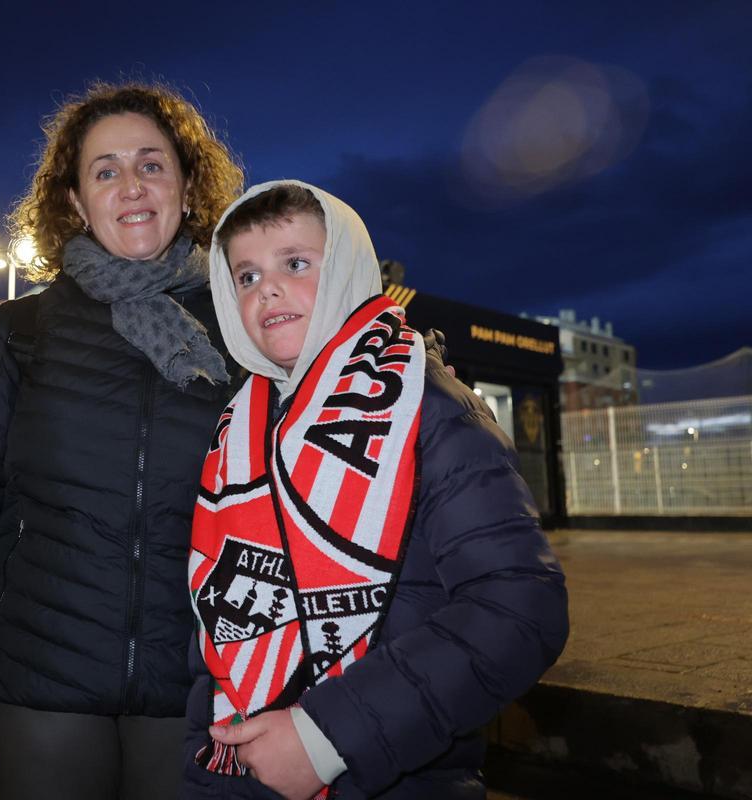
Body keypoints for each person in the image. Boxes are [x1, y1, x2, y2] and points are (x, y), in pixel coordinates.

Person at [0, 82, 245, 800]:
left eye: (152, 164)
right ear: (77, 204)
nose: (132, 186)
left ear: (187, 188)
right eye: (106, 170)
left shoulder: (245, 333)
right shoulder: (17, 336)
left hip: (199, 687)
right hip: (39, 690)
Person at [182, 181, 569, 799]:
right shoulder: (238, 426)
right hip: (233, 770)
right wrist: (200, 757)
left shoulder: (430, 406)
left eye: (296, 263)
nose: (268, 289)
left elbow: (522, 607)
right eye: (246, 276)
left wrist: (324, 739)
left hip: (392, 777)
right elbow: (219, 612)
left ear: (348, 270)